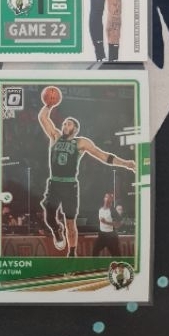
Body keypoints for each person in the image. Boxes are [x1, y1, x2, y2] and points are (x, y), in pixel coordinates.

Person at [38, 102, 135, 257]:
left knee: (70, 222)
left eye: (68, 124)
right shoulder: (55, 136)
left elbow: (103, 156)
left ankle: (72, 252)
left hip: (70, 185)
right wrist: (49, 104)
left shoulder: (80, 142)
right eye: (64, 123)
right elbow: (43, 118)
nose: (65, 125)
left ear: (75, 129)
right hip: (54, 183)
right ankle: (57, 230)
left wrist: (126, 164)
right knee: (49, 217)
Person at [92, 192, 122, 257]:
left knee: (116, 255)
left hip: (111, 236)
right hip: (102, 235)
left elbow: (118, 224)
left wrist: (106, 222)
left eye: (110, 198)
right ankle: (95, 263)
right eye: (106, 197)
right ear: (104, 198)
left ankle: (118, 263)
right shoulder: (99, 209)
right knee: (95, 251)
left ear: (112, 200)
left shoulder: (113, 211)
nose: (108, 199)